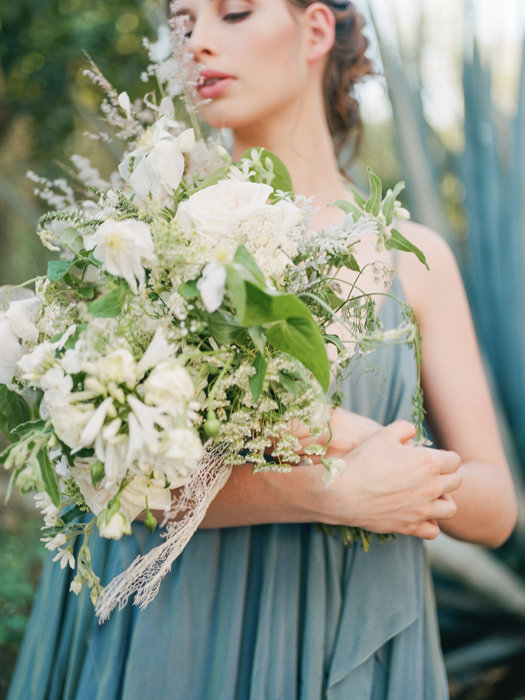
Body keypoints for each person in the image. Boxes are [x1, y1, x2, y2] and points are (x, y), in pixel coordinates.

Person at [8, 1, 517, 698]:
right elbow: (117, 484)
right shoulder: (138, 233)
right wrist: (334, 483)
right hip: (169, 629)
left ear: (314, 30)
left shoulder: (413, 257)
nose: (198, 44)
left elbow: (494, 510)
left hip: (336, 631)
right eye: (182, 24)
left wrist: (367, 456)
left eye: (234, 12)